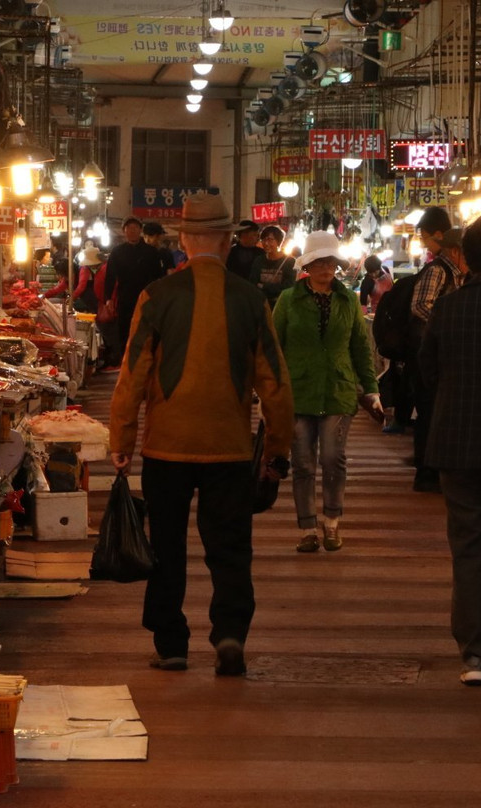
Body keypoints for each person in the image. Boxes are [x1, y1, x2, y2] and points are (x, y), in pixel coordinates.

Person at [109, 191, 294, 677]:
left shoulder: (157, 296)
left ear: (185, 240)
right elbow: (274, 381)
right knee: (230, 547)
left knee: (165, 546)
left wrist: (121, 442)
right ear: (229, 241)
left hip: (166, 446)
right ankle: (230, 634)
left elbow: (132, 375)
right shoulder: (251, 299)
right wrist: (277, 448)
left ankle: (171, 643)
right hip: (229, 447)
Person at [272, 230, 382, 553]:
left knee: (333, 458)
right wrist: (268, 389)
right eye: (318, 262)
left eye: (330, 262)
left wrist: (372, 388)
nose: (325, 269)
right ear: (307, 265)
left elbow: (361, 348)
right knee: (303, 463)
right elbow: (273, 347)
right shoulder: (289, 300)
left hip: (338, 389)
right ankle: (307, 528)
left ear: (336, 265)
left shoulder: (348, 300)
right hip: (298, 390)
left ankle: (332, 523)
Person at [418, 216, 481, 686]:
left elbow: (428, 373)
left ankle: (474, 653)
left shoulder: (449, 308)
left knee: (468, 546)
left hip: (457, 444)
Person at [408, 209, 467, 492]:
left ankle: (434, 468)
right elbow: (419, 305)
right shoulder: (437, 270)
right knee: (430, 412)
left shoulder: (456, 275)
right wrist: (446, 321)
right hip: (429, 354)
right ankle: (426, 471)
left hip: (444, 355)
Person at [103, 216, 164, 369]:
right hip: (125, 298)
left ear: (140, 231)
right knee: (125, 329)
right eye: (129, 229)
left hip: (147, 297)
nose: (132, 231)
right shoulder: (117, 252)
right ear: (124, 232)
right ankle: (127, 363)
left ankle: (148, 362)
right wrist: (108, 299)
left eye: (135, 229)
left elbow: (159, 276)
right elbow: (110, 276)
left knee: (147, 330)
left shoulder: (151, 252)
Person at [249, 225, 296, 306]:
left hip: (282, 305)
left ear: (279, 241)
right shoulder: (259, 260)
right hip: (262, 304)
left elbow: (288, 286)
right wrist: (275, 287)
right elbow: (253, 284)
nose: (266, 243)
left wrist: (263, 286)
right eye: (263, 240)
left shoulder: (290, 262)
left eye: (270, 240)